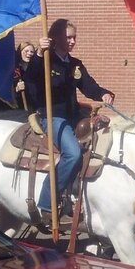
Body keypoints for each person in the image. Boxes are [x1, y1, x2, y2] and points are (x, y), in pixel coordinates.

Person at [24, 19, 114, 228]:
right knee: (72, 154)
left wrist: (104, 94)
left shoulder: (75, 65)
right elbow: (30, 78)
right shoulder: (45, 61)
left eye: (74, 37)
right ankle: (47, 205)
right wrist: (38, 54)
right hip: (51, 117)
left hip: (73, 117)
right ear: (55, 38)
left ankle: (81, 200)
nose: (73, 41)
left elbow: (89, 87)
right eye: (68, 37)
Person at [14, 40, 36, 110]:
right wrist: (16, 89)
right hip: (20, 108)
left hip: (34, 107)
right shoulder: (15, 70)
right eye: (26, 51)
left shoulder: (35, 68)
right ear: (20, 52)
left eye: (32, 52)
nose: (29, 54)